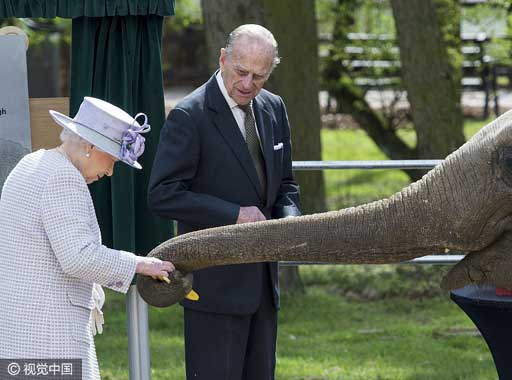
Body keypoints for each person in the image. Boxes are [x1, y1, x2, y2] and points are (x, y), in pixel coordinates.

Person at [148, 24, 301, 379]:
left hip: (263, 287)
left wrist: (291, 218)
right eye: (241, 72)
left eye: (259, 76)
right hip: (213, 290)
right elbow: (163, 194)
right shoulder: (190, 115)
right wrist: (233, 214)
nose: (248, 84)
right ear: (222, 59)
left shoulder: (274, 108)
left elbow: (286, 184)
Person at [0, 96, 175, 380]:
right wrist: (140, 264)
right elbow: (79, 257)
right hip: (49, 335)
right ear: (91, 146)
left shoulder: (31, 163)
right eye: (113, 161)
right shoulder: (63, 177)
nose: (109, 172)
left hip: (18, 331)